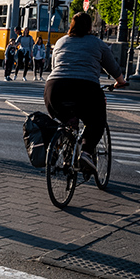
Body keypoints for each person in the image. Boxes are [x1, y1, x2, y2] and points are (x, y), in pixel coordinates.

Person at [44, 12, 128, 174]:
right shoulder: (97, 44)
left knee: (68, 120)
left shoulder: (60, 42)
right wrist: (120, 81)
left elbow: (55, 66)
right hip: (85, 88)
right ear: (90, 27)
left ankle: (62, 147)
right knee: (97, 122)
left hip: (54, 88)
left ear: (71, 26)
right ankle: (86, 152)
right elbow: (112, 67)